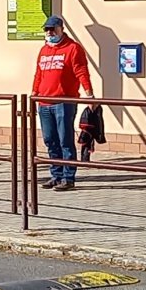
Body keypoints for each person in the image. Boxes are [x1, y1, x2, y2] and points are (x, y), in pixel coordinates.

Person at [31, 15, 94, 191]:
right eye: (47, 29)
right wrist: (34, 92)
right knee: (50, 139)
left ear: (61, 29)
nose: (50, 32)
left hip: (64, 102)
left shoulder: (73, 48)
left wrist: (89, 95)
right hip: (44, 102)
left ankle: (68, 177)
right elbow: (39, 73)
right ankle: (55, 174)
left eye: (53, 29)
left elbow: (82, 71)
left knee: (65, 139)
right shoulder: (44, 50)